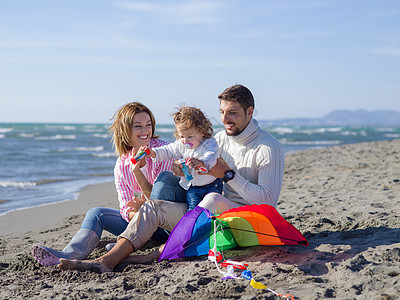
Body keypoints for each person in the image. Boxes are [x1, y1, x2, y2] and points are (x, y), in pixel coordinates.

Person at [57, 84, 285, 273]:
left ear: (250, 112)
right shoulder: (220, 139)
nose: (226, 118)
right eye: (223, 112)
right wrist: (182, 170)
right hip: (209, 213)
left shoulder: (268, 147)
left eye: (233, 112)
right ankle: (106, 260)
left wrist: (228, 175)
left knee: (213, 198)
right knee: (153, 207)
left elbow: (268, 203)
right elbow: (187, 156)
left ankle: (156, 253)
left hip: (246, 220)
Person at [31, 102, 186, 267]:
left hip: (170, 225)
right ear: (125, 130)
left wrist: (137, 173)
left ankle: (122, 247)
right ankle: (69, 254)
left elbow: (158, 201)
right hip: (145, 225)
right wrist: (136, 213)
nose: (145, 130)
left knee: (163, 179)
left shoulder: (163, 151)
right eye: (138, 126)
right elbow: (126, 209)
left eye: (148, 125)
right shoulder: (121, 165)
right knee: (97, 213)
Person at [144, 106, 222, 210]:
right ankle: (194, 225)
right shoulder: (181, 144)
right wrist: (153, 152)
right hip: (193, 187)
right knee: (193, 211)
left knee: (213, 209)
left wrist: (202, 162)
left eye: (189, 136)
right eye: (181, 136)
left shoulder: (209, 142)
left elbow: (211, 155)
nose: (185, 140)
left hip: (212, 185)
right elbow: (168, 150)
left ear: (202, 131)